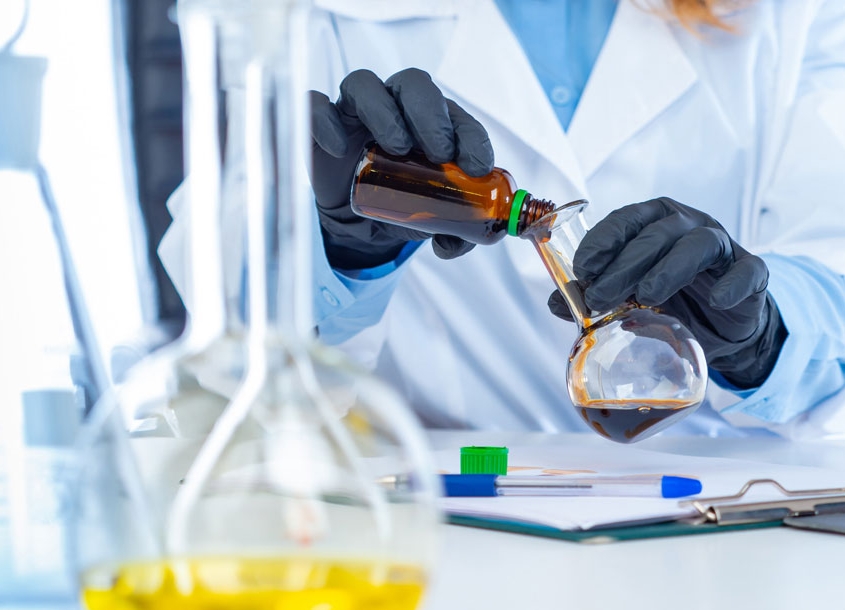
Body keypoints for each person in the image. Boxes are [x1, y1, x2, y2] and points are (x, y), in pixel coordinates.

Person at [164, 0, 845, 439]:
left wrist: (759, 333)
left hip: (735, 513)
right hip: (455, 520)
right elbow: (225, 312)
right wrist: (337, 248)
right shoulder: (301, 13)